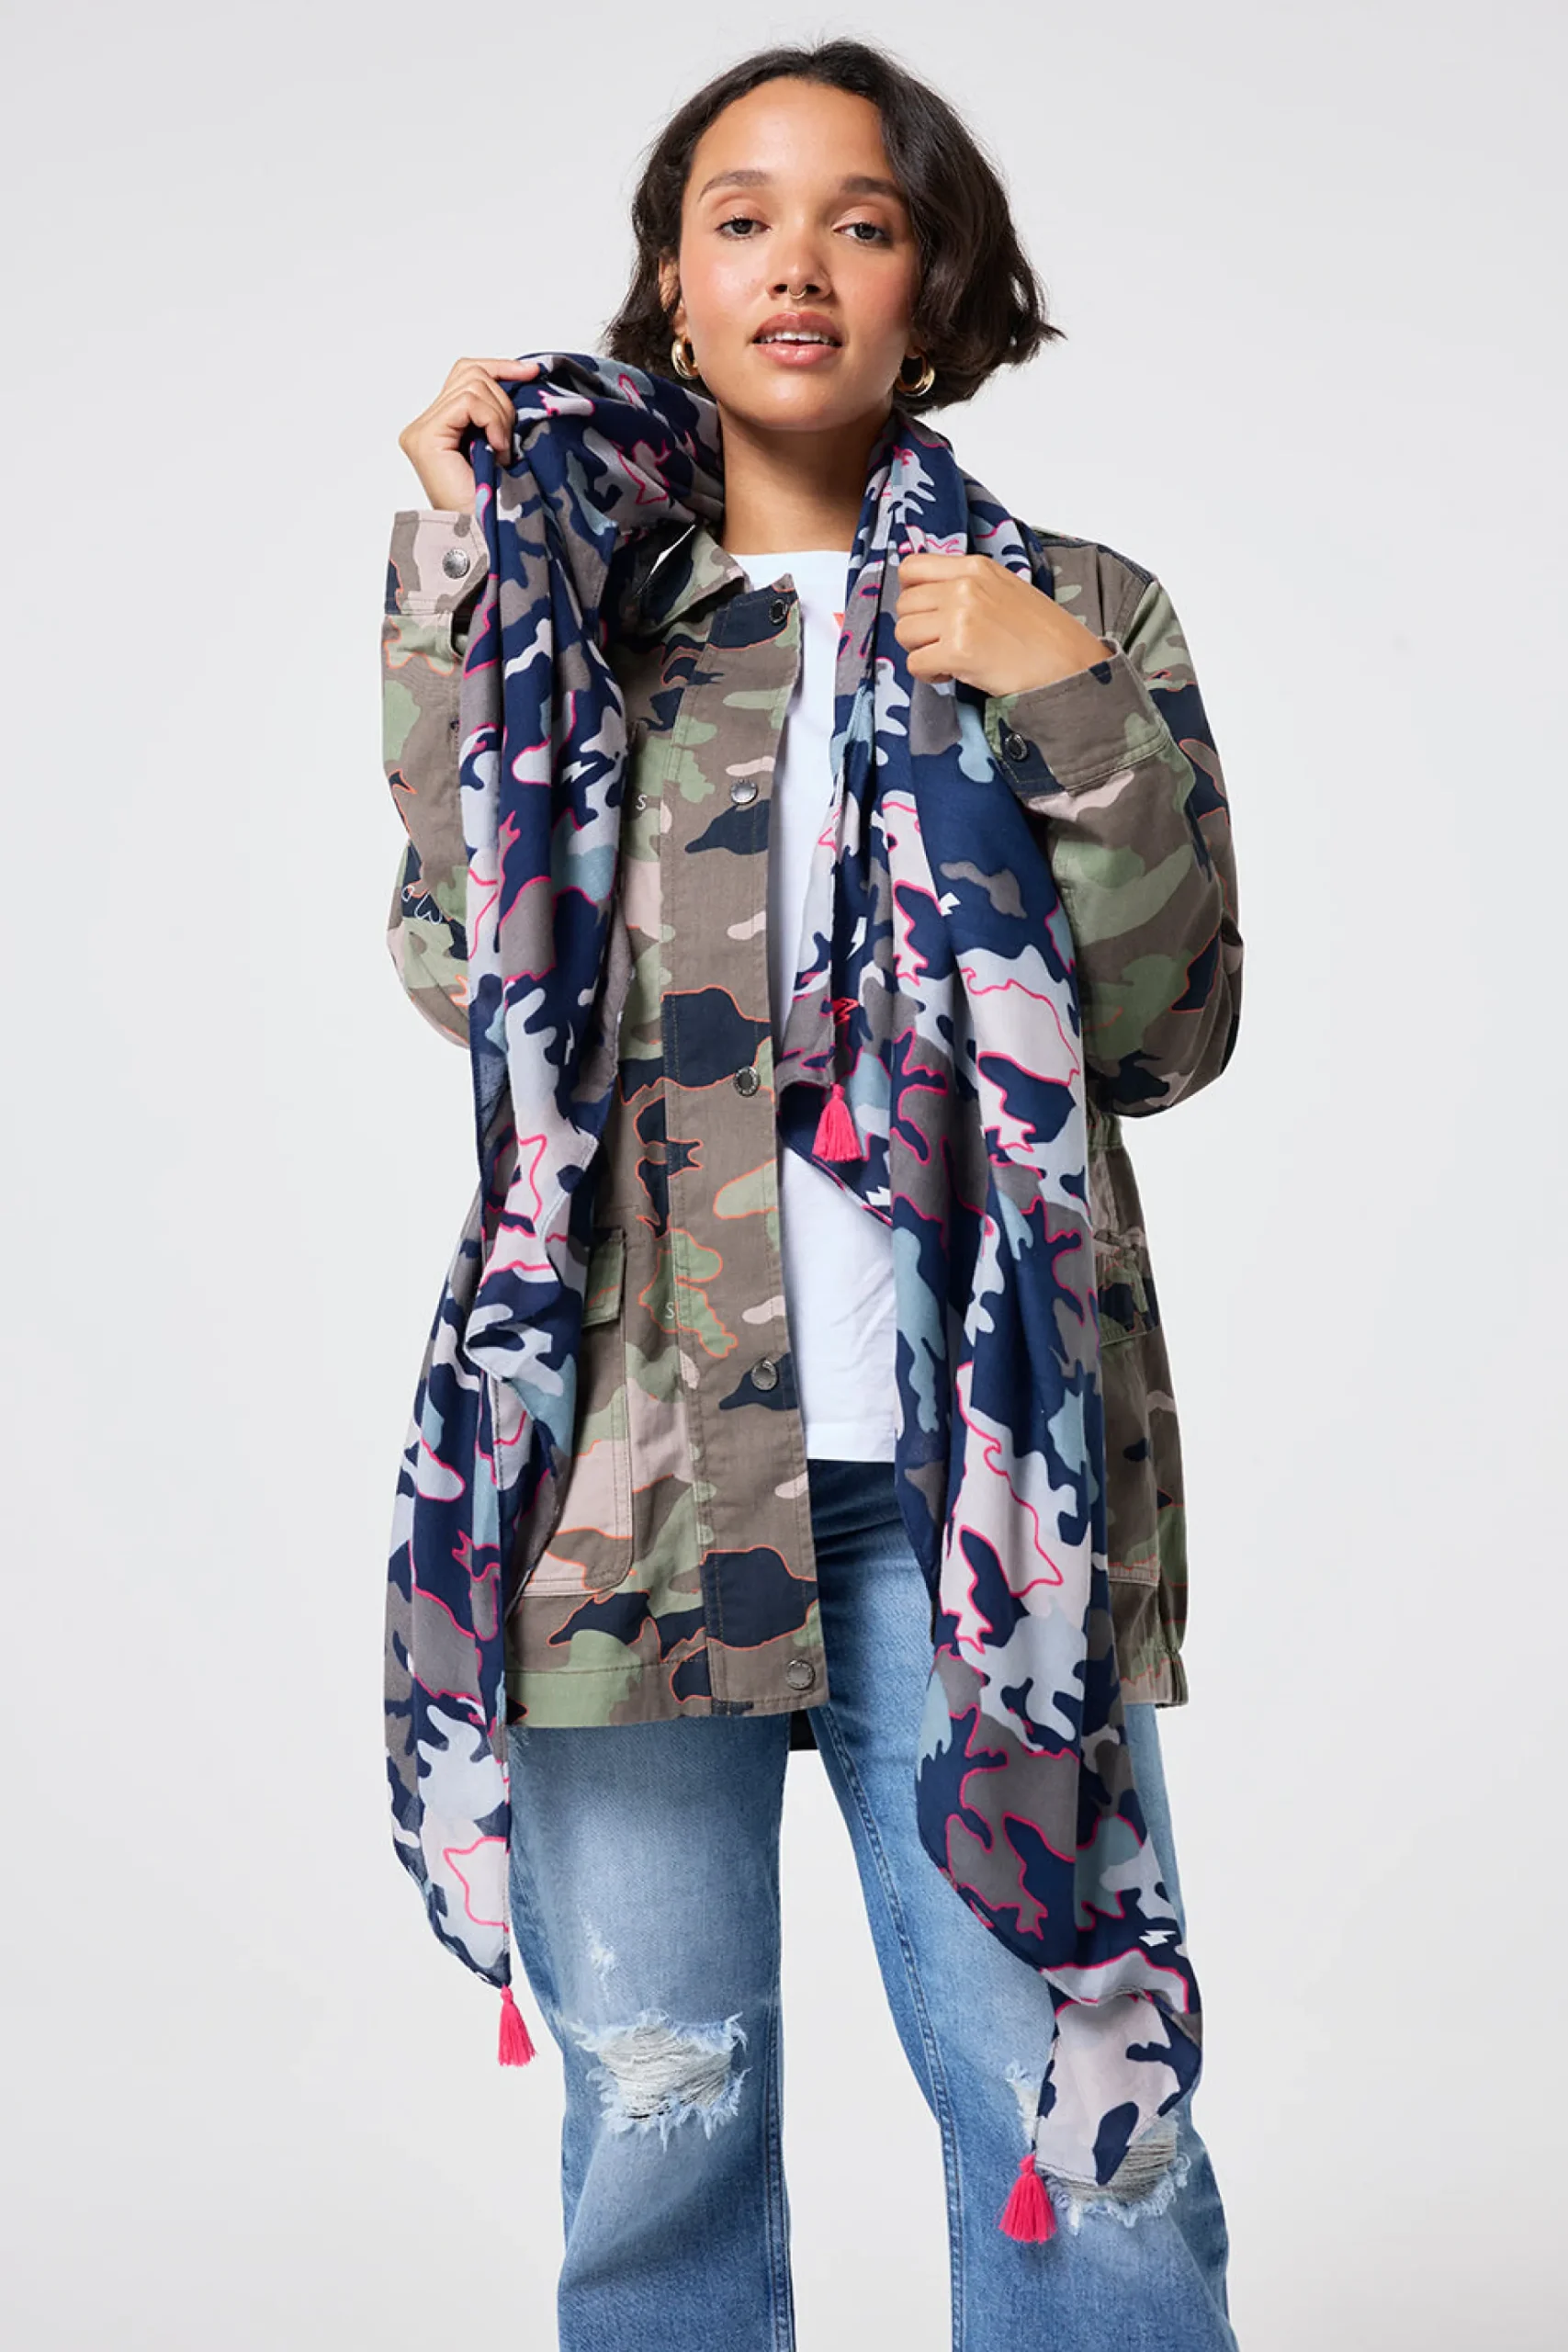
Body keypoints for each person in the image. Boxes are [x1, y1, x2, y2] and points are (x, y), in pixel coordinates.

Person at [380, 37, 1243, 2352]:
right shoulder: (586, 621)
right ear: (670, 284)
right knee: (658, 2129)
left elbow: (1164, 1029)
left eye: (860, 220)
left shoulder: (1075, 605)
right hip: (623, 1491)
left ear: (930, 284)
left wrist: (1068, 706)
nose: (798, 262)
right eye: (741, 216)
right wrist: (462, 567)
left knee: (1088, 2125)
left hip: (975, 1506)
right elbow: (466, 968)